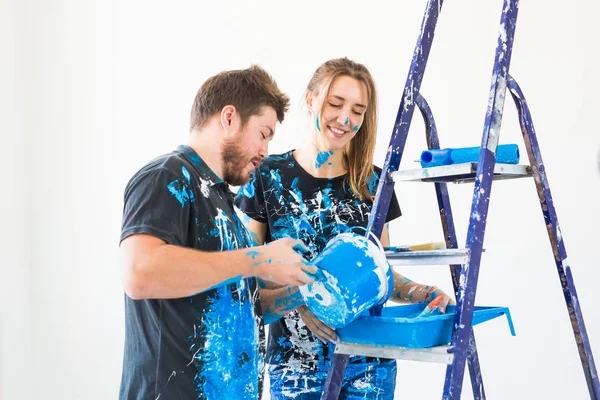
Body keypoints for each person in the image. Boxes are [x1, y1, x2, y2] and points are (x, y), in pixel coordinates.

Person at [236, 58, 455, 399]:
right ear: (310, 100)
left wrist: (421, 293)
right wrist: (302, 298)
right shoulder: (268, 176)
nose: (345, 119)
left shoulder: (374, 183)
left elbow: (380, 272)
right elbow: (248, 275)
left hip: (369, 364)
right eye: (336, 104)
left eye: (357, 110)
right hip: (296, 367)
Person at [118, 65, 318, 400]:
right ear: (229, 117)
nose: (265, 151)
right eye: (264, 133)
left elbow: (243, 307)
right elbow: (139, 273)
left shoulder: (225, 206)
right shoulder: (167, 176)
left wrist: (306, 289)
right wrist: (259, 258)